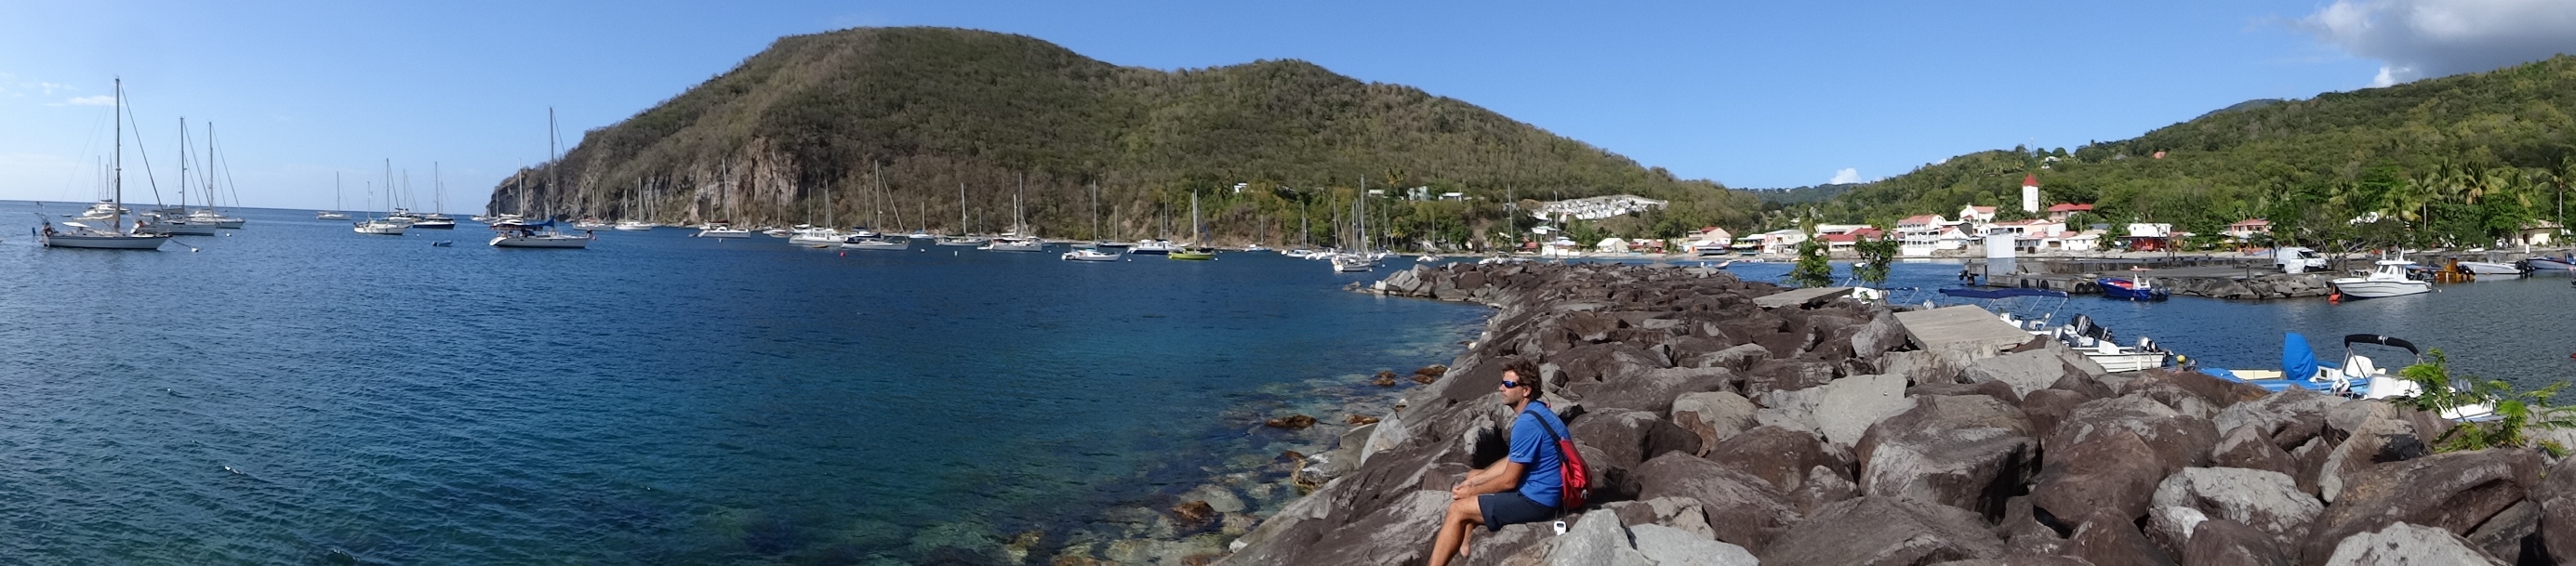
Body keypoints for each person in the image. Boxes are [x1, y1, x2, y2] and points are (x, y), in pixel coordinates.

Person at [1427, 357, 1566, 566]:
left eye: (1508, 384)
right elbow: (1513, 459)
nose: (1501, 388)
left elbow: (1509, 481)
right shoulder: (1539, 411)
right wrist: (1475, 482)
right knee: (1473, 475)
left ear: (1526, 390)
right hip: (1548, 487)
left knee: (1457, 509)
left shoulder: (1526, 424)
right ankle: (1466, 537)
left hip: (1538, 501)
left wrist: (1471, 492)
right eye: (1502, 382)